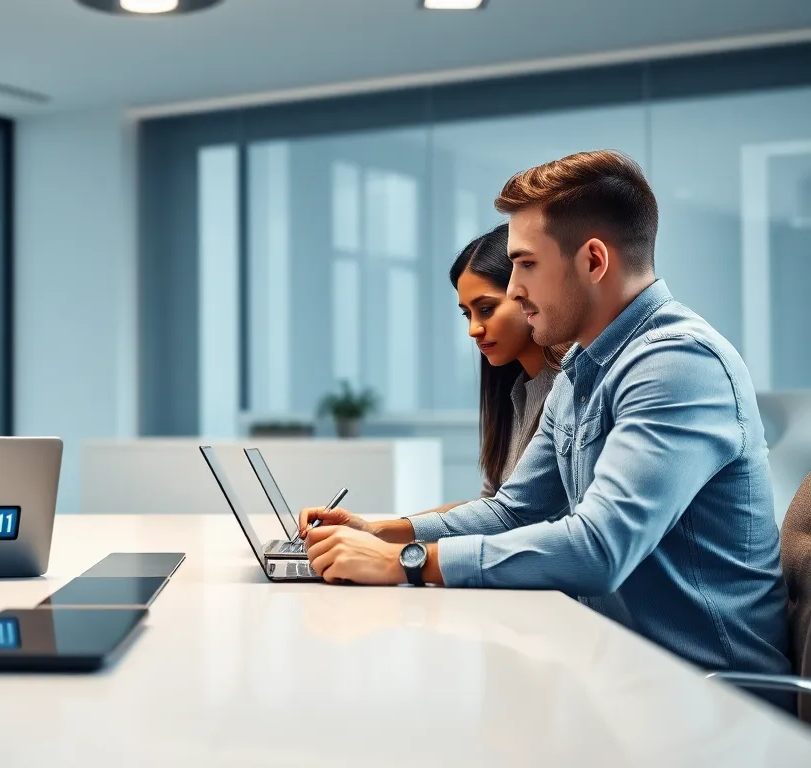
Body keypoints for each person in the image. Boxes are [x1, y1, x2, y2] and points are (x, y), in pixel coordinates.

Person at [299, 150, 790, 684]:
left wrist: (409, 561)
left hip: (710, 701)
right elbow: (514, 511)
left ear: (594, 260)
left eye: (526, 264)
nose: (512, 289)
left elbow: (598, 548)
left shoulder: (677, 363)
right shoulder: (584, 364)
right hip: (622, 675)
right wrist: (384, 532)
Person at [437, 223, 563, 509]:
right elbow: (489, 506)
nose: (473, 330)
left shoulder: (569, 390)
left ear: (525, 294)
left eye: (485, 309)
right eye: (467, 314)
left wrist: (389, 541)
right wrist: (372, 530)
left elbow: (510, 518)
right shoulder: (514, 392)